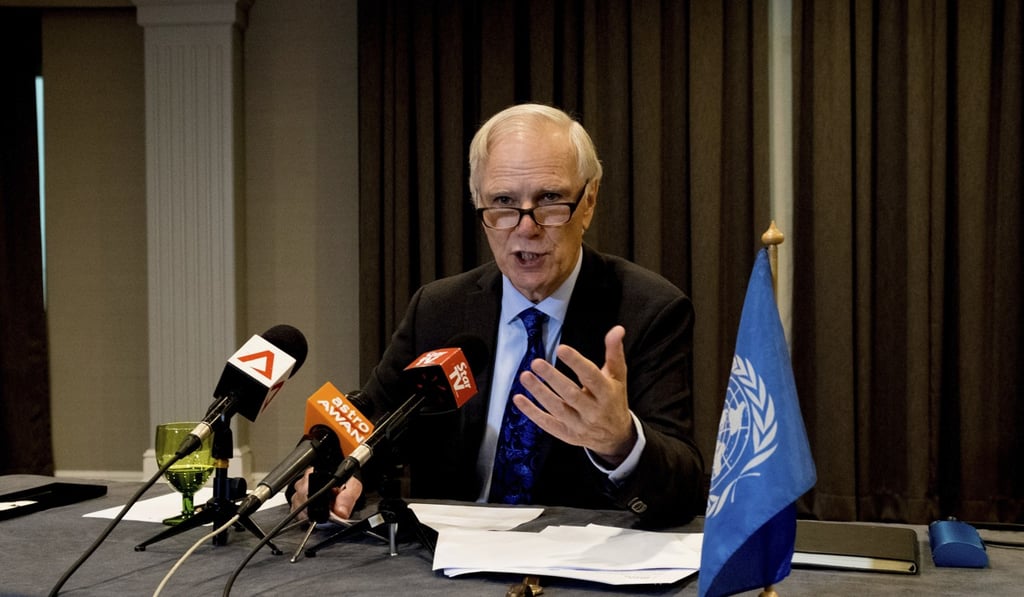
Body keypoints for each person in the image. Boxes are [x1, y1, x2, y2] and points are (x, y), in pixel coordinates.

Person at [290, 103, 704, 527]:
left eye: (549, 199)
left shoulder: (649, 310)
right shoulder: (439, 308)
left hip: (577, 573)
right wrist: (333, 474)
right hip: (446, 566)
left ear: (589, 201)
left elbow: (685, 489)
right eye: (504, 202)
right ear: (478, 204)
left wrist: (621, 443)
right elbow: (371, 425)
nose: (527, 227)